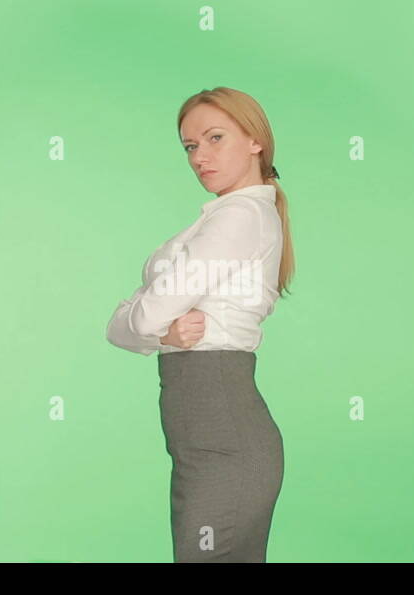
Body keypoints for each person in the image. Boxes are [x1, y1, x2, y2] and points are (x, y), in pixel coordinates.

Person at [105, 86, 296, 562]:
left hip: (224, 438)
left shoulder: (242, 217)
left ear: (255, 140)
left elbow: (140, 313)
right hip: (202, 441)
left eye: (215, 138)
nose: (199, 157)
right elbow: (119, 327)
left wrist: (148, 324)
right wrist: (160, 332)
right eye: (191, 146)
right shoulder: (221, 218)